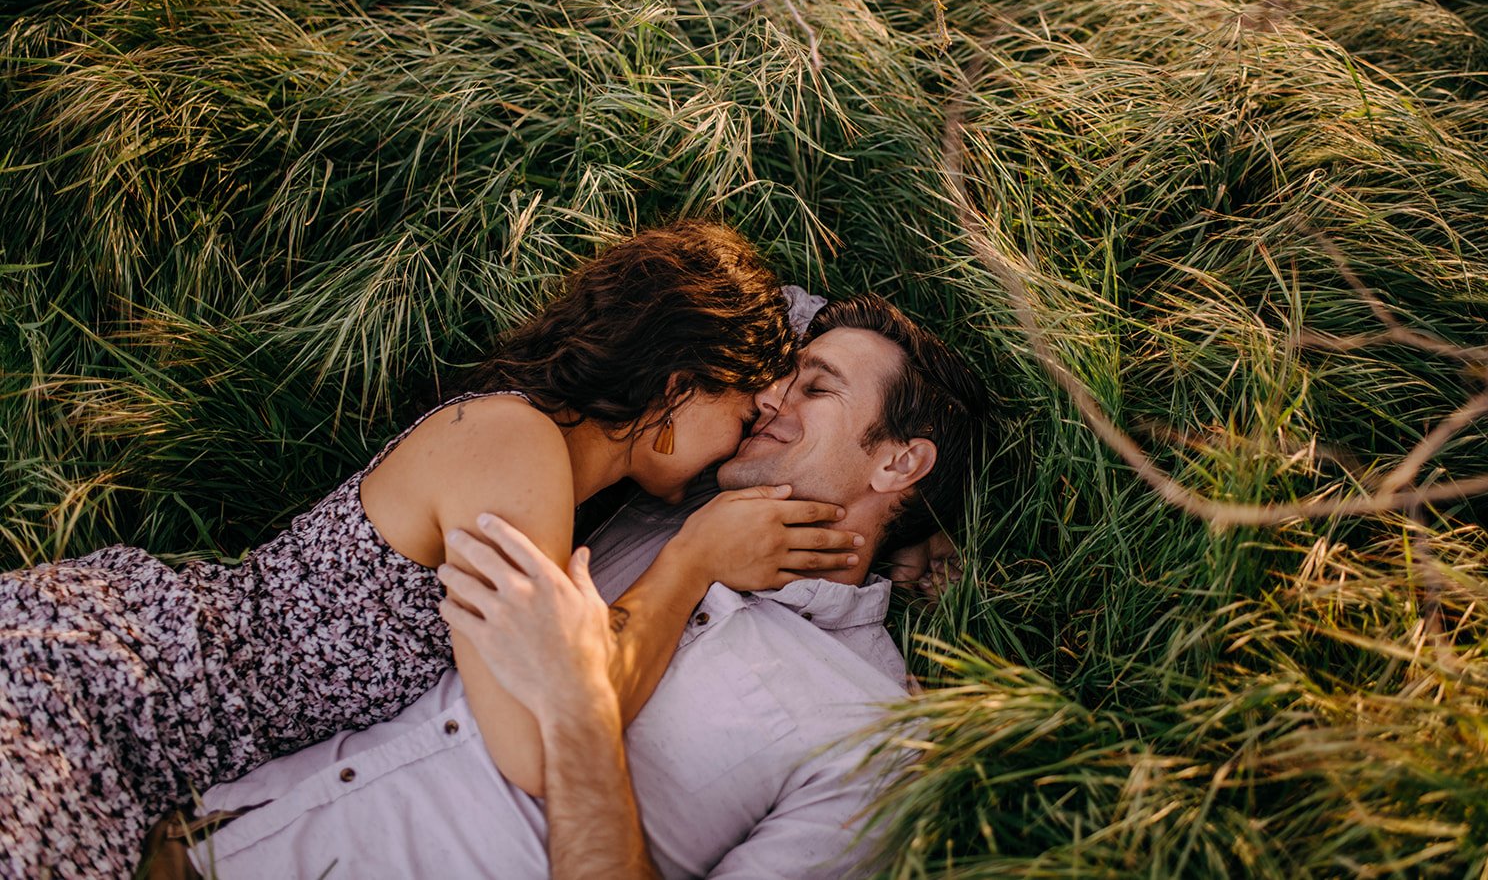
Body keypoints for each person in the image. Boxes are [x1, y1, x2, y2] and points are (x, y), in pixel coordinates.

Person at [0, 222, 862, 879]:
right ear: (678, 385)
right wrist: (691, 563)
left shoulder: (568, 476)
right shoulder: (517, 447)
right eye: (744, 413)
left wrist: (916, 511)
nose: (743, 440)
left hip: (167, 715)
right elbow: (532, 748)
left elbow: (797, 319)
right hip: (117, 689)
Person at [158, 295, 988, 879]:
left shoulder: (874, 735)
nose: (771, 393)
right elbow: (724, 296)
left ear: (900, 460)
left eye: (814, 385)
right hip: (200, 832)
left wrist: (579, 717)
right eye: (782, 371)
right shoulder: (666, 499)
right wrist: (915, 525)